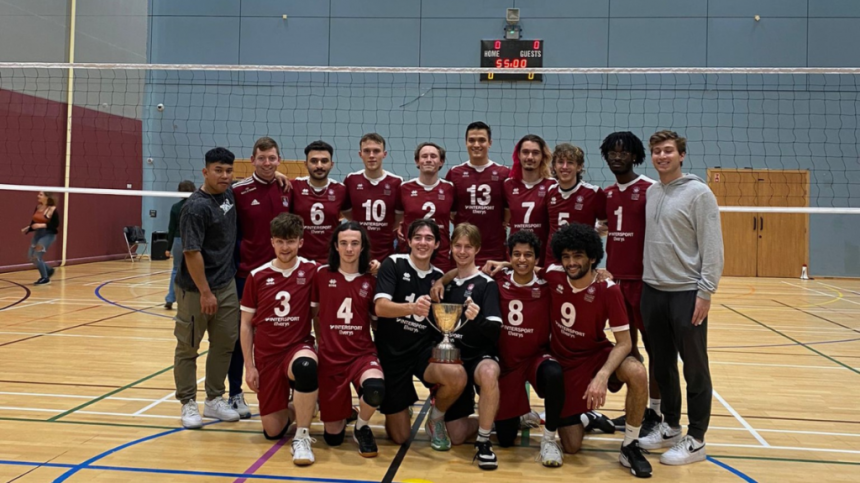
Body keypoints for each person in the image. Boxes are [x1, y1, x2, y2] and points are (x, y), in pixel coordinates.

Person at [638, 131, 724, 466]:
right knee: (662, 364)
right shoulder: (652, 192)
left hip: (686, 292)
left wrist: (705, 292)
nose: (662, 156)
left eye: (668, 151)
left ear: (682, 155)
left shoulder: (699, 193)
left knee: (695, 367)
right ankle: (670, 425)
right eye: (657, 151)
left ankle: (697, 438)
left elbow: (713, 248)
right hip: (652, 291)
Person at [543, 223, 652, 478]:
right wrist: (503, 264)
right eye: (566, 256)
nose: (571, 263)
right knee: (571, 447)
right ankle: (587, 418)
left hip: (596, 355)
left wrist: (602, 375)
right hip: (566, 363)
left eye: (578, 256)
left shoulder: (608, 289)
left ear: (592, 256)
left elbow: (625, 342)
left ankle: (630, 446)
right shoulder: (553, 275)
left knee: (636, 371)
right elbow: (525, 269)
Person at [474, 230, 567, 467]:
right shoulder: (496, 280)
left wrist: (601, 273)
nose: (522, 259)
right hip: (506, 364)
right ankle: (519, 413)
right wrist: (443, 281)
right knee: (505, 439)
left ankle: (549, 440)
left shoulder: (548, 283)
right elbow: (465, 272)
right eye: (516, 255)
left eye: (528, 255)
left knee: (555, 374)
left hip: (535, 358)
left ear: (537, 259)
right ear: (509, 256)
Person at [373, 219, 467, 451]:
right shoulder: (394, 263)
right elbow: (380, 307)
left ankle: (436, 417)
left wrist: (444, 279)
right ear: (408, 240)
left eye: (428, 238)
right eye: (418, 237)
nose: (422, 243)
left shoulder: (438, 277)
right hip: (392, 355)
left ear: (437, 244)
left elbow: (467, 267)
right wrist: (411, 308)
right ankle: (403, 403)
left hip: (422, 352)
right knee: (400, 437)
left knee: (457, 375)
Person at [240, 213, 320, 466]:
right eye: (280, 242)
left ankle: (303, 436)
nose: (286, 247)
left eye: (291, 241)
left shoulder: (312, 270)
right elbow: (245, 325)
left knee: (306, 367)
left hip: (298, 347)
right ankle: (306, 404)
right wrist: (249, 366)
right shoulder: (257, 276)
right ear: (272, 242)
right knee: (272, 431)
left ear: (300, 242)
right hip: (267, 356)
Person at [173, 147, 242, 429]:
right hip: (196, 289)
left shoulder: (228, 195)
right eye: (218, 170)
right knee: (188, 346)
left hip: (226, 285)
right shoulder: (195, 207)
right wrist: (205, 292)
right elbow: (191, 252)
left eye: (228, 171)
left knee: (225, 343)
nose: (224, 176)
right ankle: (188, 402)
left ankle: (214, 399)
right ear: (205, 172)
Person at [600, 132, 662, 435]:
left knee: (656, 349)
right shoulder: (607, 193)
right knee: (628, 348)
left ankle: (657, 413)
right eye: (611, 152)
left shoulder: (651, 189)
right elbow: (601, 228)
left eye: (623, 152)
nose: (617, 156)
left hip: (645, 283)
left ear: (635, 155)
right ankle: (634, 411)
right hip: (616, 282)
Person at [431, 223, 503, 470]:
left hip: (481, 354)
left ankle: (483, 441)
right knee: (458, 435)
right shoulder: (445, 284)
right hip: (455, 357)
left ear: (477, 249)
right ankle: (490, 421)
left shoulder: (486, 284)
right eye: (458, 246)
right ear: (450, 248)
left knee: (489, 372)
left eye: (468, 247)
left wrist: (478, 318)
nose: (462, 251)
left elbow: (494, 330)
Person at [230, 136, 292, 418]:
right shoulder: (238, 191)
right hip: (247, 275)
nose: (267, 163)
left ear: (279, 160)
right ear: (252, 160)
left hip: (283, 276)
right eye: (262, 158)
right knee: (239, 336)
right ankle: (234, 394)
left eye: (272, 158)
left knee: (285, 333)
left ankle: (290, 393)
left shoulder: (288, 189)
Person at [311, 222, 384, 457]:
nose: (349, 248)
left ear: (363, 247)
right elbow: (314, 314)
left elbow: (376, 320)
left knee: (374, 388)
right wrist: (320, 345)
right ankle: (344, 411)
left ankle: (362, 425)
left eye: (355, 243)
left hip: (361, 354)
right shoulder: (322, 274)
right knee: (333, 439)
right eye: (344, 243)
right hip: (331, 358)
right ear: (336, 246)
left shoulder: (372, 279)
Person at [446, 122, 510, 266]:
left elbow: (507, 213)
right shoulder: (455, 173)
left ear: (490, 143)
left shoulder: (503, 173)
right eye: (472, 140)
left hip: (494, 251)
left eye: (481, 140)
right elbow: (452, 213)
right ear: (465, 142)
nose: (476, 144)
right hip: (463, 251)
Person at [343, 133, 403, 261]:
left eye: (376, 151)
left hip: (386, 250)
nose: (371, 156)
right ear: (360, 154)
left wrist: (384, 228)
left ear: (384, 154)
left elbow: (398, 218)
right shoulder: (351, 180)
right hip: (356, 251)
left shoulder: (396, 182)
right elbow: (347, 212)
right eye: (367, 151)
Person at [545, 143, 607, 266]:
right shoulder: (549, 191)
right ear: (554, 167)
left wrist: (588, 236)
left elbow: (606, 224)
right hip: (552, 261)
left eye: (570, 162)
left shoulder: (593, 192)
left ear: (579, 167)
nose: (565, 166)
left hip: (580, 262)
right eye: (560, 162)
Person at [290, 140, 351, 264]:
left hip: (331, 261)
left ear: (331, 164)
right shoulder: (293, 186)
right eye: (313, 161)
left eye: (324, 161)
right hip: (298, 261)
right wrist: (276, 173)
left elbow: (354, 218)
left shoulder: (341, 190)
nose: (319, 166)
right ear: (305, 164)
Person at [398, 142, 456, 271]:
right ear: (417, 161)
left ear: (441, 162)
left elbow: (455, 216)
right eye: (424, 156)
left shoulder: (449, 188)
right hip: (409, 255)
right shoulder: (404, 188)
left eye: (433, 156)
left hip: (441, 257)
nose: (429, 160)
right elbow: (397, 217)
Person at [503, 134, 555, 265]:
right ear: (518, 155)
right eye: (525, 152)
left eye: (535, 153)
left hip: (543, 257)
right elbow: (504, 219)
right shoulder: (508, 185)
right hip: (516, 257)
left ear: (543, 156)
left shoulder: (553, 186)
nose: (530, 157)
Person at [164, 180, 196, 309]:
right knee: (195, 270)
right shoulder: (198, 205)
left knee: (176, 270)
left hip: (178, 240)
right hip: (194, 240)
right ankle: (192, 300)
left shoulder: (176, 207)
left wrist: (168, 248)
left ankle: (170, 299)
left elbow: (171, 229)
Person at [21, 191, 60, 285]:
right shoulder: (38, 207)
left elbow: (55, 225)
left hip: (48, 235)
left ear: (47, 197)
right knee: (31, 256)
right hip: (38, 235)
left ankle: (45, 278)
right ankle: (49, 270)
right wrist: (28, 228)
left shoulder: (52, 209)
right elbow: (34, 222)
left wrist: (42, 225)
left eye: (41, 194)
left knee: (36, 256)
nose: (38, 196)